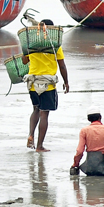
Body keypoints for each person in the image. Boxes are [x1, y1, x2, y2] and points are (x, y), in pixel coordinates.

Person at [21, 19, 69, 152]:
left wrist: (27, 50)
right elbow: (62, 65)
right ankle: (39, 146)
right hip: (47, 84)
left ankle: (31, 134)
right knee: (44, 114)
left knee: (35, 109)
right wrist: (66, 82)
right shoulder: (55, 45)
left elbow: (24, 61)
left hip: (32, 83)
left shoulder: (31, 43)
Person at [71, 106, 104, 177]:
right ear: (100, 117)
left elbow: (79, 151)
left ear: (88, 119)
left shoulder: (84, 131)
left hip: (90, 167)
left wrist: (75, 164)